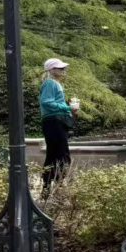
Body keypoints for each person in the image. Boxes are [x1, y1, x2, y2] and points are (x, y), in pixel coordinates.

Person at [39, 58, 77, 198]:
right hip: (53, 122)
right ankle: (56, 187)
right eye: (60, 68)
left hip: (55, 122)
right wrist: (67, 107)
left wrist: (69, 110)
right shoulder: (50, 83)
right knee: (61, 155)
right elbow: (46, 102)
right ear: (51, 70)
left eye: (63, 68)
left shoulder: (54, 83)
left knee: (55, 154)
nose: (63, 70)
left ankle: (49, 188)